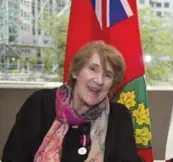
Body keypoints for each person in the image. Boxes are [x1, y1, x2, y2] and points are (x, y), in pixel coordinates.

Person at [2, 41, 142, 162]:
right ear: (76, 72)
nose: (99, 81)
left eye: (108, 75)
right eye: (93, 69)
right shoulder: (41, 103)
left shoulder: (118, 116)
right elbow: (13, 157)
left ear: (111, 84)